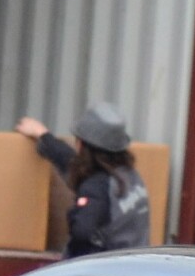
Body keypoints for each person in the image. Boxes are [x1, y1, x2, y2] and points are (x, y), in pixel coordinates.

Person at [16, 103, 151, 256]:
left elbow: (82, 232)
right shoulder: (129, 176)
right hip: (134, 266)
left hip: (105, 274)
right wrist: (43, 134)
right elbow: (72, 163)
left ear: (80, 144)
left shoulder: (97, 187)